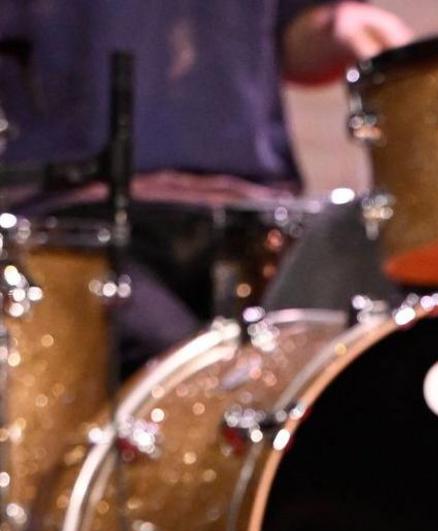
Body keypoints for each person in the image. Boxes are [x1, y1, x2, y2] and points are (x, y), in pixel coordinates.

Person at [0, 2, 412, 364]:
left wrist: (335, 25)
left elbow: (295, 34)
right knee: (196, 389)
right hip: (72, 217)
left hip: (251, 214)